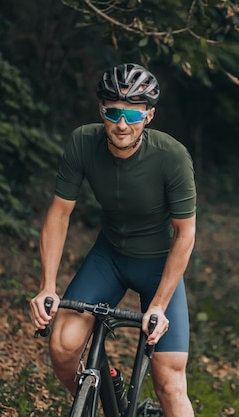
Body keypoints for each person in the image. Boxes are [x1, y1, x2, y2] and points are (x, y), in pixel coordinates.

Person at [29, 63, 196, 417]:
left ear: (149, 115)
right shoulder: (83, 142)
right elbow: (59, 214)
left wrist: (160, 306)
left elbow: (185, 234)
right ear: (100, 110)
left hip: (157, 265)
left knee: (169, 380)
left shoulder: (172, 156)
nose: (122, 124)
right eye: (113, 111)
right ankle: (108, 404)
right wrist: (47, 286)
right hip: (110, 258)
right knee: (62, 347)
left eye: (133, 113)